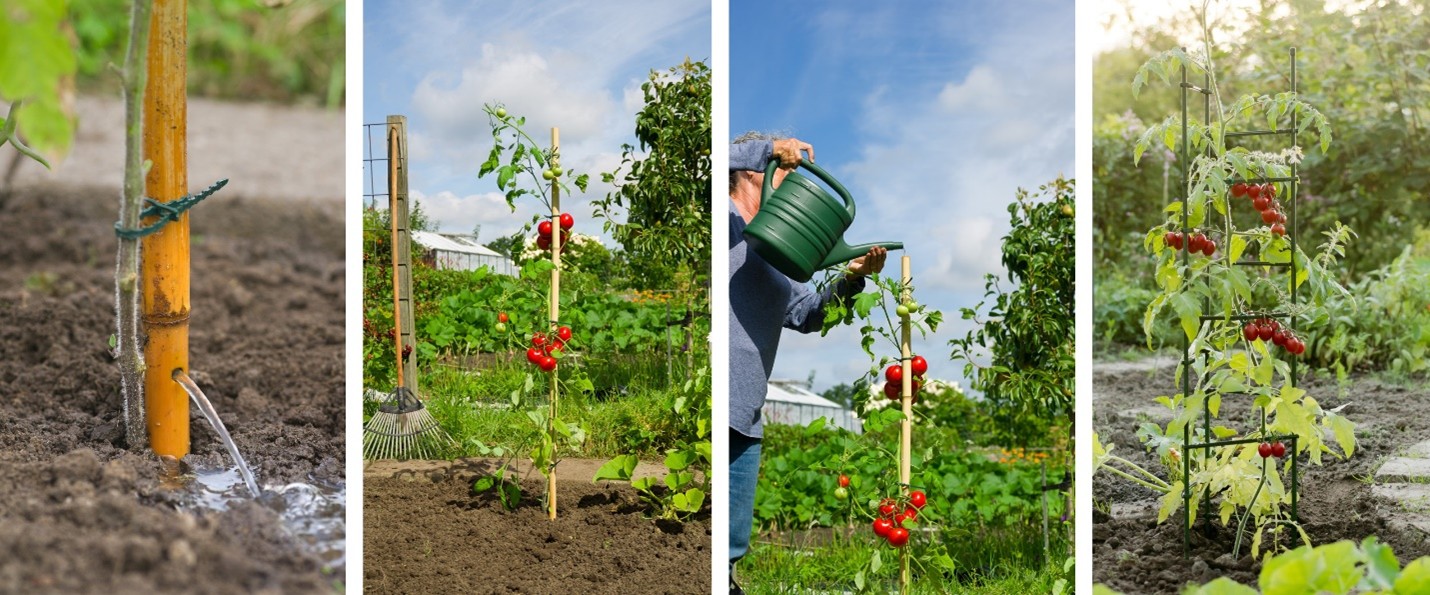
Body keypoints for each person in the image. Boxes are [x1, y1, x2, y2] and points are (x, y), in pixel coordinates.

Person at [727, 133, 887, 593]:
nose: (793, 183)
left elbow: (807, 313)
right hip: (716, 403)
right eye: (785, 174)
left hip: (746, 415)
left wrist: (851, 281)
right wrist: (769, 148)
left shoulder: (782, 253)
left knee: (730, 552)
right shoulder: (724, 222)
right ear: (756, 175)